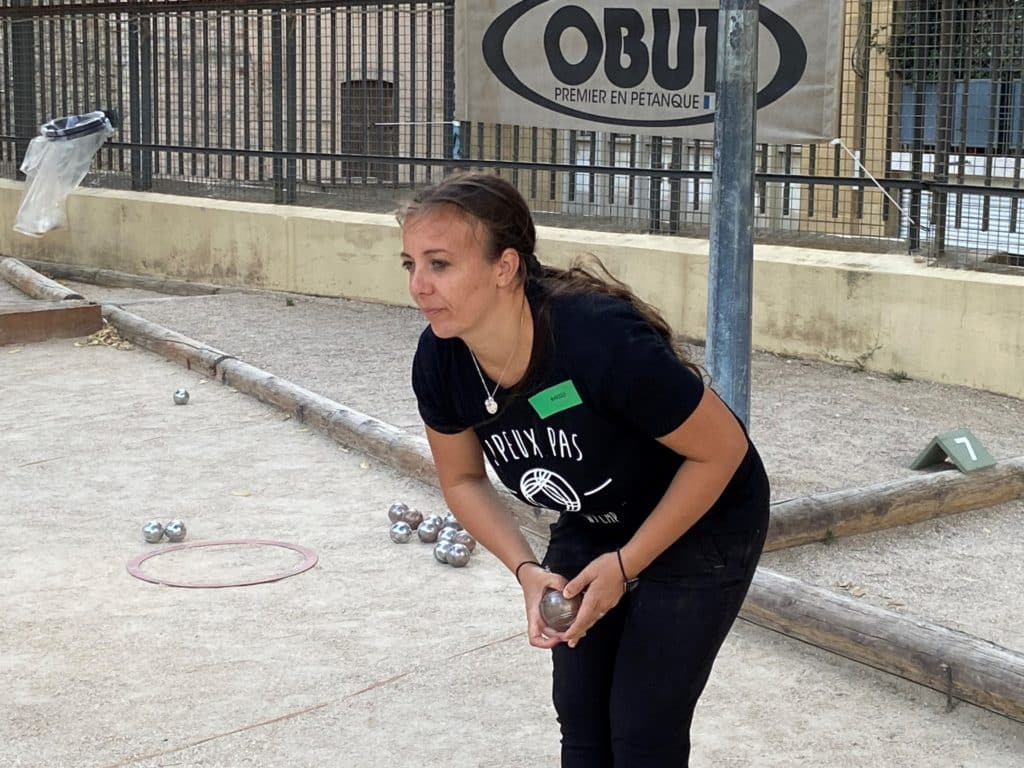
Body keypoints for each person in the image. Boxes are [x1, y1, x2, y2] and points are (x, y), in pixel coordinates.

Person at [399, 171, 770, 768]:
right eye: (410, 264)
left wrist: (625, 567)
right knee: (583, 717)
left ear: (505, 267)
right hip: (593, 518)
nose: (419, 285)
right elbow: (462, 480)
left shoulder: (596, 339)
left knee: (643, 727)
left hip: (704, 516)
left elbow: (722, 449)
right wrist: (525, 569)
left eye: (439, 264)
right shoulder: (441, 358)